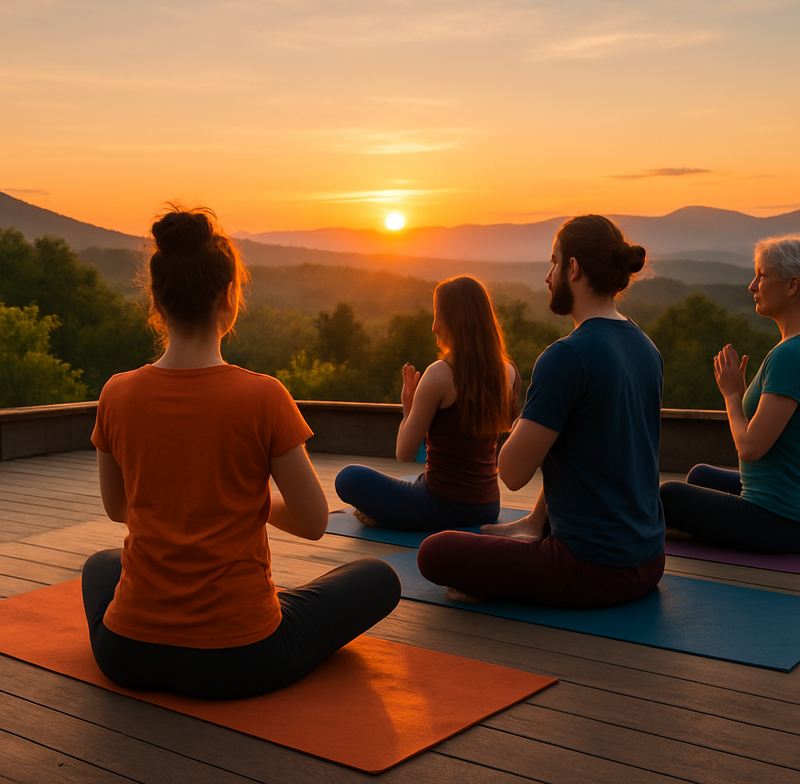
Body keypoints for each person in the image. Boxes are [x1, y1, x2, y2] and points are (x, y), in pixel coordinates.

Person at [81, 205, 400, 700]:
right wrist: (247, 504)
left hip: (128, 652)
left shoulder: (116, 394)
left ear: (157, 302)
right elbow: (314, 521)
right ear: (229, 297)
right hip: (241, 659)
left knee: (100, 565)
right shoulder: (263, 396)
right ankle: (251, 604)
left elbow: (119, 508)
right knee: (378, 577)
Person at [417, 215, 665, 609]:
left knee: (435, 552)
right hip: (650, 562)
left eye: (553, 261)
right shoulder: (646, 348)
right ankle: (532, 526)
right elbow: (589, 449)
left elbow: (513, 473)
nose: (547, 275)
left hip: (588, 569)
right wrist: (535, 522)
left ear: (573, 268)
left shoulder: (566, 356)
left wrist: (522, 424)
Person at [335, 275, 519, 531]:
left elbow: (403, 453)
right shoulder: (508, 372)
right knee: (418, 481)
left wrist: (407, 408)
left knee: (349, 478)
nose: (434, 326)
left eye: (438, 316)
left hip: (440, 506)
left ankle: (389, 515)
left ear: (455, 320)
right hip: (487, 506)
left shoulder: (440, 373)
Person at [660, 234, 800, 553]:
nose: (752, 286)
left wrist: (732, 396)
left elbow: (749, 448)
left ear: (792, 285)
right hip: (783, 499)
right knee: (699, 475)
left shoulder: (790, 355)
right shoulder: (789, 350)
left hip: (779, 519)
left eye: (762, 275)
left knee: (667, 495)